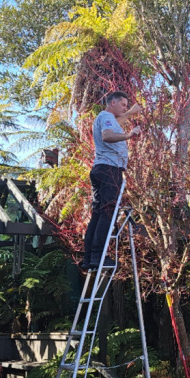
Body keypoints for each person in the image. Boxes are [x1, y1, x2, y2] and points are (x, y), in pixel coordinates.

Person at [82, 90, 141, 272]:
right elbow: (108, 136)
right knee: (108, 213)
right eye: (123, 105)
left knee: (98, 214)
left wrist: (130, 112)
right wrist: (129, 135)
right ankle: (99, 257)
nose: (124, 108)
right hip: (109, 170)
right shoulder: (106, 115)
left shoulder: (107, 118)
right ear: (112, 103)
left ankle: (90, 258)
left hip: (101, 168)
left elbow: (116, 124)